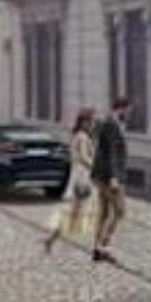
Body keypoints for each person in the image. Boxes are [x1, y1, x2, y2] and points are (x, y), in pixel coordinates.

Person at [44, 108, 96, 253]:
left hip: (78, 175)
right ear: (84, 122)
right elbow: (83, 157)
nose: (92, 125)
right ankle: (95, 245)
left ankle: (52, 238)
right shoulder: (82, 137)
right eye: (90, 122)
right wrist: (95, 167)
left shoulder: (77, 136)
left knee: (75, 211)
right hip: (82, 177)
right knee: (79, 211)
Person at [91, 97, 133, 263]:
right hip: (110, 177)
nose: (129, 114)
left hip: (103, 175)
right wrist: (114, 177)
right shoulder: (111, 124)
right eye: (128, 110)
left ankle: (97, 248)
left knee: (104, 213)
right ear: (121, 108)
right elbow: (112, 152)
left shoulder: (108, 122)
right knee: (120, 211)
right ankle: (104, 246)